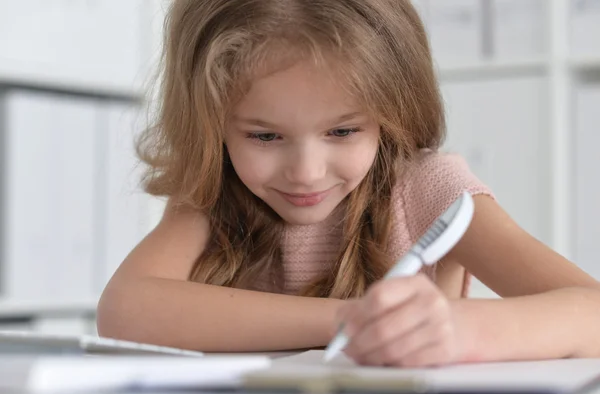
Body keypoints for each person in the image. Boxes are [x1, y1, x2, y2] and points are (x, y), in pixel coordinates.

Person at [97, 0, 600, 367]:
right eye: (265, 135)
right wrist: (352, 320)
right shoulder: (215, 191)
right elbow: (126, 309)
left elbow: (592, 313)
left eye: (343, 131)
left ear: (391, 113)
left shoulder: (427, 187)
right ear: (212, 126)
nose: (307, 172)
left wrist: (456, 328)